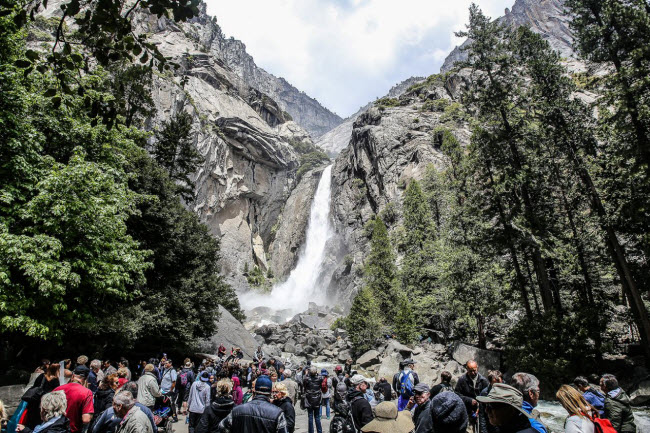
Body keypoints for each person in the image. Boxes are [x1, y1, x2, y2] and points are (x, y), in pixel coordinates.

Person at [217, 375, 288, 433]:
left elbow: (222, 427)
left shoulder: (237, 410)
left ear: (254, 390)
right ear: (270, 392)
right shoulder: (277, 413)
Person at [53, 366, 94, 433]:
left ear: (72, 376)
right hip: (73, 430)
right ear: (86, 379)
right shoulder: (87, 393)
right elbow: (86, 419)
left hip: (54, 429)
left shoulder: (57, 389)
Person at [23, 363, 62, 429]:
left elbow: (35, 386)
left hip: (35, 401)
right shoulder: (55, 380)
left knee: (31, 420)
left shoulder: (41, 376)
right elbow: (56, 392)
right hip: (45, 403)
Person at [455, 360, 489, 433]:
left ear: (477, 368)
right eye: (470, 371)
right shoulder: (462, 380)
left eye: (474, 370)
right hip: (467, 411)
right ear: (467, 369)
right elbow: (457, 394)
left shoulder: (483, 381)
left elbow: (487, 396)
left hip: (481, 411)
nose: (473, 373)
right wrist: (469, 400)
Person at [302, 366, 323, 433]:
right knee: (317, 416)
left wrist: (306, 374)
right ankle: (319, 431)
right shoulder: (320, 378)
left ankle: (311, 431)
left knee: (310, 416)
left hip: (309, 398)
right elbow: (321, 378)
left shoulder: (306, 378)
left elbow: (304, 385)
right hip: (317, 398)